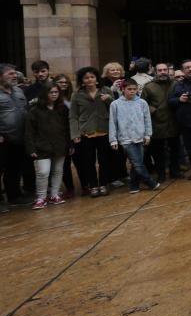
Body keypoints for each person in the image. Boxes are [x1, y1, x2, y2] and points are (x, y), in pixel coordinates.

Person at [24, 83, 71, 209]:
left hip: (60, 145)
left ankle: (54, 194)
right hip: (41, 147)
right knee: (43, 172)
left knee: (58, 171)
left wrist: (70, 144)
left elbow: (68, 128)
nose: (54, 94)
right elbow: (29, 132)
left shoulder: (62, 109)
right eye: (51, 92)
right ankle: (41, 197)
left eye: (56, 92)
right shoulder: (34, 110)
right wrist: (31, 148)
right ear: (45, 94)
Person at [70, 66, 114, 197]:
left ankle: (104, 184)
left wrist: (109, 100)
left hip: (104, 130)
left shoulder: (105, 90)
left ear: (96, 78)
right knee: (88, 161)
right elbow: (73, 116)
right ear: (82, 80)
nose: (89, 80)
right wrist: (75, 134)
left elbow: (116, 108)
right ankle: (93, 185)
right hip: (86, 132)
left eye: (92, 77)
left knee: (104, 160)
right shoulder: (77, 95)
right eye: (86, 78)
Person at [109, 79, 158, 194]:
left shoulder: (142, 103)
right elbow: (113, 122)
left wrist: (147, 135)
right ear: (123, 89)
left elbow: (147, 120)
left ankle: (133, 185)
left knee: (138, 162)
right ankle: (150, 182)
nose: (132, 91)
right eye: (129, 89)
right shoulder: (115, 104)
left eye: (134, 89)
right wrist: (113, 139)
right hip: (125, 138)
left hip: (140, 136)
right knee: (137, 163)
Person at [142, 63, 183, 181]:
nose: (163, 72)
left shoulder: (176, 84)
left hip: (174, 122)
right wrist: (154, 109)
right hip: (157, 123)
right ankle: (161, 174)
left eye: (165, 69)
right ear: (155, 72)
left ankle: (175, 171)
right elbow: (143, 104)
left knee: (175, 149)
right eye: (160, 70)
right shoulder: (149, 87)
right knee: (158, 152)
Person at [0, 63, 32, 207]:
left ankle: (14, 196)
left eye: (15, 73)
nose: (15, 76)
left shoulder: (19, 91)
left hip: (20, 137)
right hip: (3, 138)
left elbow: (25, 109)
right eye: (10, 74)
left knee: (14, 168)